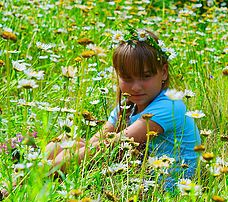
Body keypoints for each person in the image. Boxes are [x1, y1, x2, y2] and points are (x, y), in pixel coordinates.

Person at [46, 28, 201, 190]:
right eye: (127, 78)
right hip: (141, 179)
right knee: (62, 143)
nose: (136, 87)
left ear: (163, 72)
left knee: (70, 154)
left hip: (165, 190)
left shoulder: (170, 105)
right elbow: (95, 142)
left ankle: (35, 178)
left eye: (146, 76)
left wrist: (46, 168)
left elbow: (107, 149)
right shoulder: (127, 107)